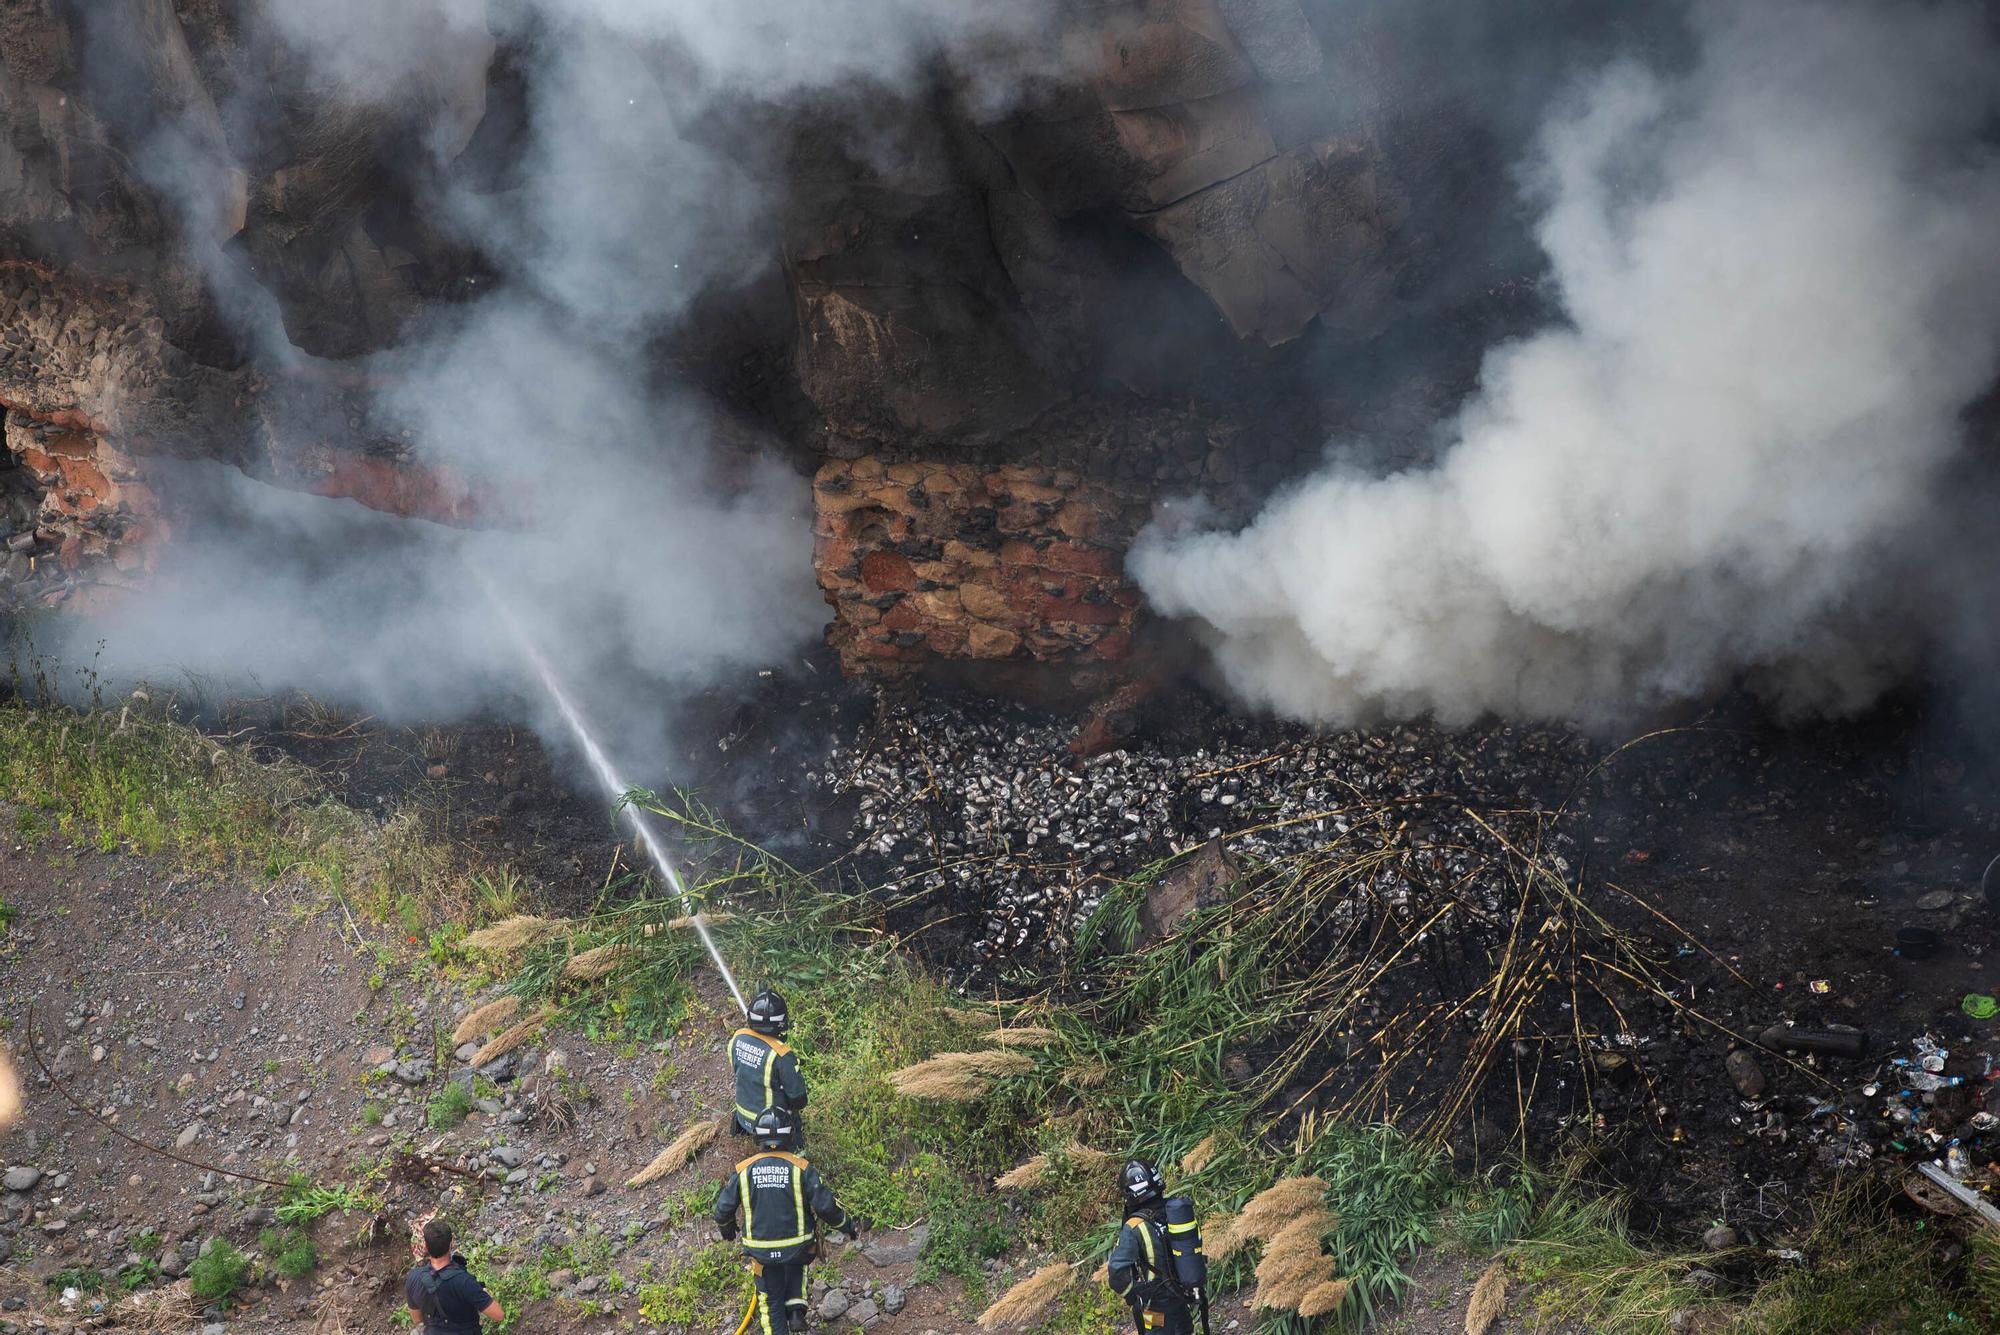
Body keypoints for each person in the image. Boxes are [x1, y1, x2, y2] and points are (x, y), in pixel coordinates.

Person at [713, 1107, 868, 1334]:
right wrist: (847, 1226)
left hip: (762, 1253)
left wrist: (726, 1228)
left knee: (770, 1303)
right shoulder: (801, 1168)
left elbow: (722, 1209)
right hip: (797, 1246)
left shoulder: (743, 1170)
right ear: (789, 1135)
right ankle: (796, 1308)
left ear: (757, 1136)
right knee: (799, 1259)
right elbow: (825, 1207)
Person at [1106, 1159, 1195, 1334]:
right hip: (1181, 1297)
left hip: (1155, 1306)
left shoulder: (1134, 1227)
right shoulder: (1176, 1211)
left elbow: (1117, 1272)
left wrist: (1134, 1295)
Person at [729, 987, 807, 1144]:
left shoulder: (737, 1039)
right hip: (770, 1127)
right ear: (782, 1022)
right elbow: (799, 1099)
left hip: (743, 1118)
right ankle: (797, 1149)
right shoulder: (781, 1055)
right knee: (794, 1115)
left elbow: (741, 1069)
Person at [405, 1218, 504, 1335]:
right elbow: (499, 1315)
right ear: (451, 1244)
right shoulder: (464, 1281)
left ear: (426, 1246)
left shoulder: (413, 1277)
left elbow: (417, 1319)